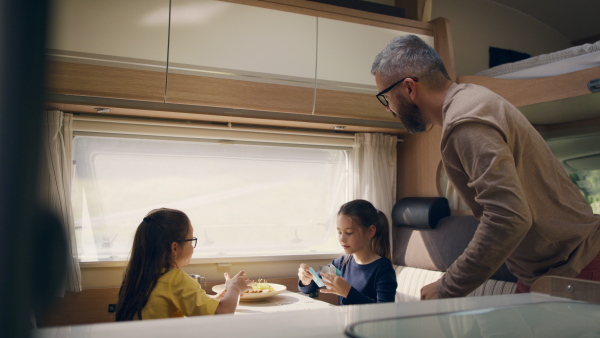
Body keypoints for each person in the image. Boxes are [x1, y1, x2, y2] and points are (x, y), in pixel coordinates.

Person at [370, 35, 600, 299]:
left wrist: (448, 286)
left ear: (410, 88)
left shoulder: (466, 122)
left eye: (386, 97)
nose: (389, 109)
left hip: (575, 268)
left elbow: (508, 217)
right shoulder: (472, 99)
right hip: (545, 271)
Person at [115, 208, 251, 320]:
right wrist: (235, 288)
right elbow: (222, 314)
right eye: (191, 241)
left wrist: (217, 300)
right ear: (174, 247)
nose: (192, 247)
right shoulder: (174, 279)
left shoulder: (137, 277)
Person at [297, 199, 397, 304]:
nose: (342, 239)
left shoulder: (382, 268)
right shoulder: (341, 264)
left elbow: (384, 312)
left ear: (370, 231)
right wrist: (306, 279)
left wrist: (348, 292)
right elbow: (311, 286)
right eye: (340, 232)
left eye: (349, 233)